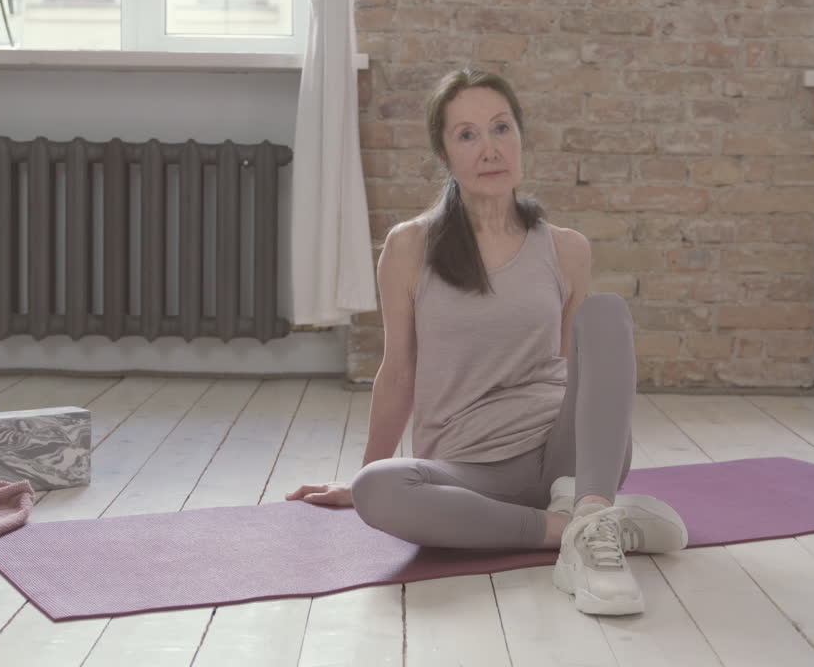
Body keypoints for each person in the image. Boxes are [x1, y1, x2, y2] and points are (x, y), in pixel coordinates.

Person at [286, 67, 687, 615]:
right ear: (445, 154)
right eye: (467, 135)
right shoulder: (410, 247)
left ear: (521, 138)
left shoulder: (566, 249)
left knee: (607, 314)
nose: (490, 148)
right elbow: (398, 371)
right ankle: (582, 528)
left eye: (501, 129)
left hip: (562, 456)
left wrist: (588, 464)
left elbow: (582, 372)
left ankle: (590, 512)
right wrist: (359, 478)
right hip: (467, 473)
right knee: (378, 489)